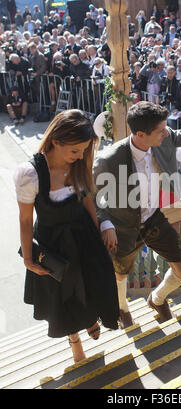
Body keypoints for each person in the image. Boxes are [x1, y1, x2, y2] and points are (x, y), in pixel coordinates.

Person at [93, 93, 181, 329]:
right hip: (122, 226)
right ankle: (122, 308)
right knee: (120, 274)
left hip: (152, 219)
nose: (167, 133)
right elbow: (93, 196)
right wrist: (106, 223)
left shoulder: (164, 138)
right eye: (161, 130)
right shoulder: (108, 160)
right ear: (140, 134)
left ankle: (157, 298)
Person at [13, 109, 119, 363]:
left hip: (83, 235)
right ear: (56, 141)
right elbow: (26, 219)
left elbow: (87, 201)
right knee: (64, 293)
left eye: (83, 150)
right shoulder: (29, 174)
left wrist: (98, 230)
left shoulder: (78, 164)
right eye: (75, 151)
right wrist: (28, 259)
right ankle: (75, 339)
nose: (80, 156)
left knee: (93, 281)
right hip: (55, 243)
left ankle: (90, 317)